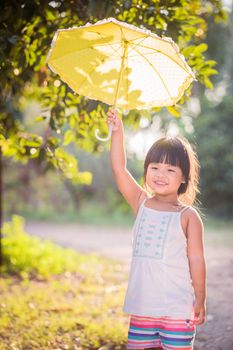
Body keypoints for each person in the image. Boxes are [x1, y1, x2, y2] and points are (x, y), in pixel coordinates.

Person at [107, 109, 206, 350]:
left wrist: (201, 298)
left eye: (170, 170)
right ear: (146, 170)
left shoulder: (188, 216)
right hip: (142, 308)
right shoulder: (141, 202)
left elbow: (196, 259)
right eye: (155, 167)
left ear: (183, 177)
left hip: (177, 309)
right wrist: (117, 130)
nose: (161, 174)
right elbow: (119, 168)